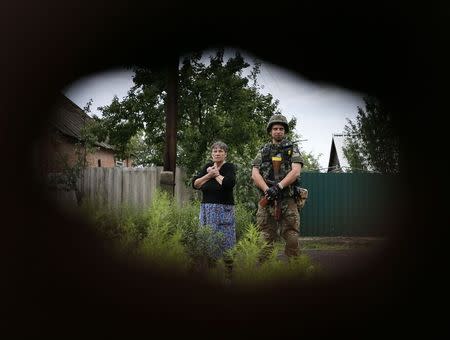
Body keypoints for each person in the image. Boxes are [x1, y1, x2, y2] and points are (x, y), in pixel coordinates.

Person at [251, 114, 304, 262]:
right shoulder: (263, 150)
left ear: (285, 131)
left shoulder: (292, 148)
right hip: (268, 199)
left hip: (287, 198)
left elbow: (296, 171)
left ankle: (294, 270)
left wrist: (278, 187)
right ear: (270, 131)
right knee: (264, 236)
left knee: (292, 236)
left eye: (281, 128)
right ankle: (264, 271)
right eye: (275, 128)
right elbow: (255, 174)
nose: (278, 131)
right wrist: (268, 190)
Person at [192, 141, 236, 276]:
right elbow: (195, 184)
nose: (217, 153)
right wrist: (209, 175)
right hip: (207, 210)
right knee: (209, 241)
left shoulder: (229, 167)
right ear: (211, 154)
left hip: (224, 210)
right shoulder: (207, 167)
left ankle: (229, 276)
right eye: (215, 151)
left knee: (226, 242)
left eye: (220, 151)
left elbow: (228, 184)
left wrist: (215, 174)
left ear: (225, 154)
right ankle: (212, 274)